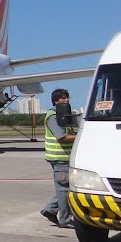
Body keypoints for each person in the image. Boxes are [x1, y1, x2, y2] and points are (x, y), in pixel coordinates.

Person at [40, 89, 77, 228]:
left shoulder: (63, 115)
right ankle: (65, 219)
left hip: (65, 157)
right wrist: (81, 136)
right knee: (64, 188)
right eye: (62, 98)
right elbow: (61, 137)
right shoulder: (53, 116)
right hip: (59, 158)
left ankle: (50, 209)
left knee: (65, 187)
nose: (66, 100)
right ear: (56, 101)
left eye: (67, 98)